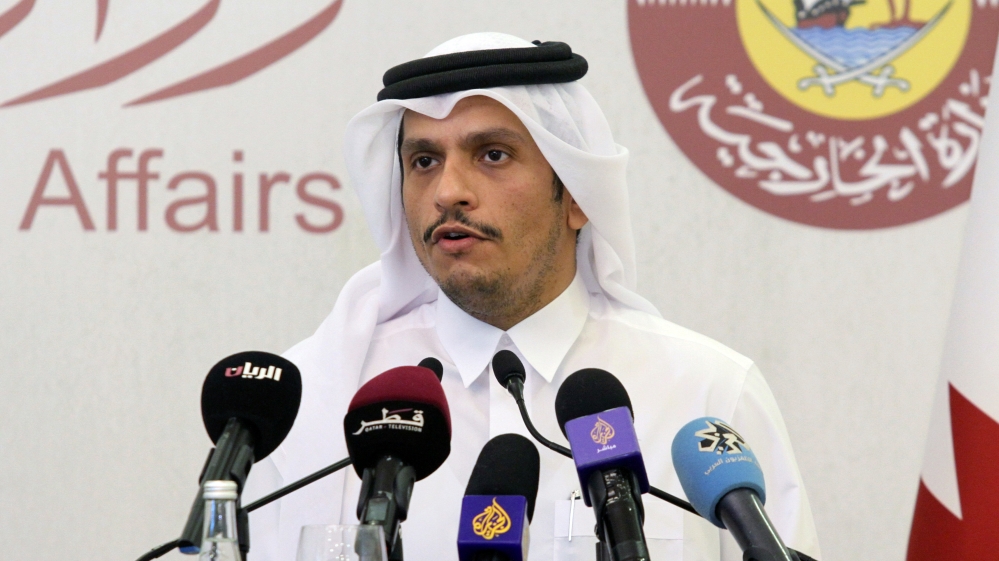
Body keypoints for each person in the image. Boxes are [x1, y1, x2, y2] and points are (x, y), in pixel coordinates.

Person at [242, 32, 821, 561]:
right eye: (424, 161)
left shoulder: (705, 392)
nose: (448, 192)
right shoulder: (316, 399)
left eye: (492, 154)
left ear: (576, 195)